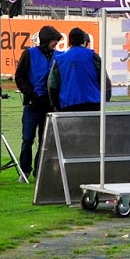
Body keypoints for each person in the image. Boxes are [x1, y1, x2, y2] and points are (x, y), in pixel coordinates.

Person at [14, 25, 62, 176]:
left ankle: (39, 171)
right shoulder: (29, 53)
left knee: (44, 141)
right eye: (54, 39)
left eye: (57, 39)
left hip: (49, 105)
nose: (56, 42)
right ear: (46, 40)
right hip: (32, 103)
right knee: (27, 139)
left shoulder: (59, 56)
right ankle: (25, 170)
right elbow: (19, 76)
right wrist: (31, 93)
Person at [48, 28, 106, 112]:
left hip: (68, 104)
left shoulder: (59, 59)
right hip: (93, 103)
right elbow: (105, 80)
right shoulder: (93, 56)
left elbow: (52, 85)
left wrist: (55, 105)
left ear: (69, 43)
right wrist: (104, 100)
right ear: (84, 41)